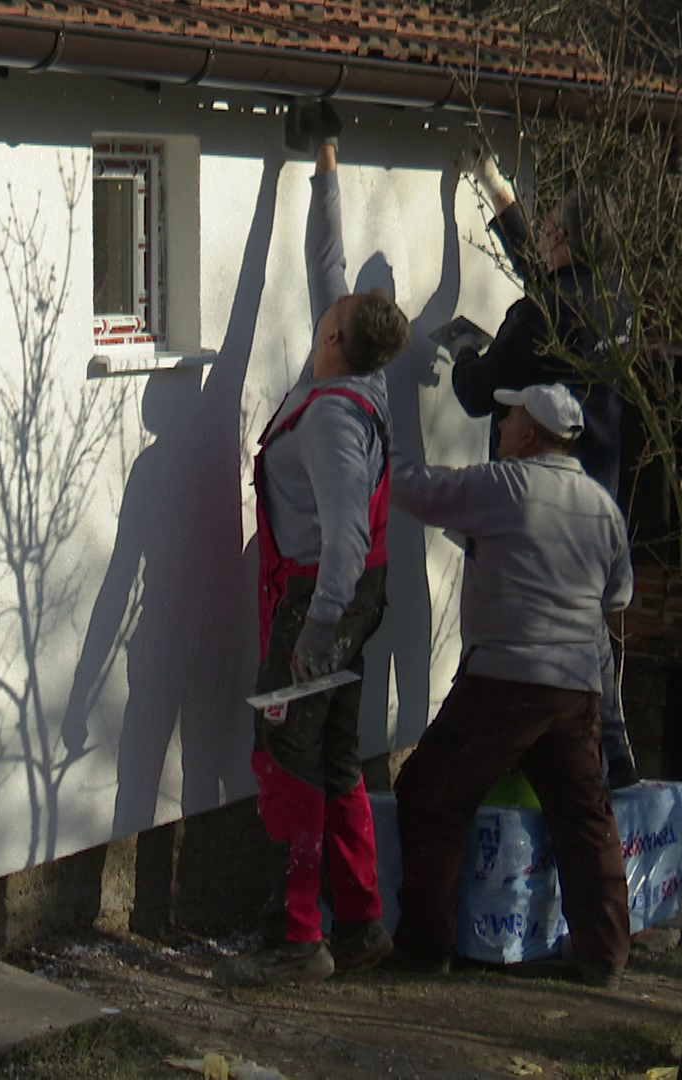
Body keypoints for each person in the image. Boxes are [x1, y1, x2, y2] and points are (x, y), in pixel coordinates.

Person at [218, 100, 408, 988]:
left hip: (320, 597)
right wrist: (325, 161)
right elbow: (323, 261)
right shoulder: (358, 372)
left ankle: (300, 938)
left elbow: (339, 542)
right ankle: (364, 922)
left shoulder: (335, 420)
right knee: (335, 755)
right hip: (351, 594)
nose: (324, 301)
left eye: (331, 309)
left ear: (333, 334)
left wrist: (316, 630)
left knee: (288, 761)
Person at [388, 383, 634, 987]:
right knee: (584, 817)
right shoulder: (600, 504)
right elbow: (619, 594)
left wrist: (372, 438)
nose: (499, 426)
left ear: (528, 434)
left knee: (430, 793)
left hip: (503, 683)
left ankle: (425, 946)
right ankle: (604, 954)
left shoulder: (504, 486)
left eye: (508, 418)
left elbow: (416, 489)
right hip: (576, 688)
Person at [451, 152, 641, 790]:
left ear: (564, 237)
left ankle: (556, 765)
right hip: (597, 499)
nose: (548, 232)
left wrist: (463, 354)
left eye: (552, 224)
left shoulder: (544, 314)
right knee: (588, 627)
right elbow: (546, 274)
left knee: (522, 637)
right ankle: (614, 764)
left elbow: (480, 392)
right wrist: (497, 189)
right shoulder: (614, 295)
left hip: (540, 509)